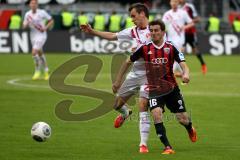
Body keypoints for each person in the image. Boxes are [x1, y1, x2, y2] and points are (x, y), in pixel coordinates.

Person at [113, 20, 197, 154]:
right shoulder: (144, 47)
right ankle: (167, 147)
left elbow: (184, 65)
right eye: (151, 30)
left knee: (182, 119)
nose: (153, 33)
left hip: (171, 88)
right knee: (156, 114)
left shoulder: (171, 47)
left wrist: (186, 74)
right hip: (154, 88)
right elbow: (127, 61)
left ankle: (190, 128)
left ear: (163, 32)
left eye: (156, 30)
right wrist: (118, 80)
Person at [81, 3, 151, 153]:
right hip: (135, 74)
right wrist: (92, 31)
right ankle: (126, 113)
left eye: (133, 16)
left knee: (143, 105)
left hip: (150, 76)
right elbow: (113, 36)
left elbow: (167, 48)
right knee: (116, 105)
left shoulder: (156, 29)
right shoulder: (133, 31)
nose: (131, 19)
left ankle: (143, 144)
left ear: (142, 14)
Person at [162, 0, 194, 76]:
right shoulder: (167, 14)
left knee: (176, 55)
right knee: (175, 56)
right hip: (170, 39)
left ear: (178, 3)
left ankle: (171, 73)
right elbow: (162, 25)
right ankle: (183, 72)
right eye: (172, 2)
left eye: (175, 2)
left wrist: (184, 27)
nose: (174, 3)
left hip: (180, 39)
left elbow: (191, 23)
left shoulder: (183, 13)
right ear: (170, 3)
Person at [23, 0, 53, 80]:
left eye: (35, 3)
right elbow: (24, 26)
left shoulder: (42, 12)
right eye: (32, 3)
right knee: (40, 53)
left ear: (37, 5)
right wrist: (25, 25)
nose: (33, 5)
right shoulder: (27, 14)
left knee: (34, 52)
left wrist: (45, 28)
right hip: (33, 35)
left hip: (41, 35)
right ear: (29, 5)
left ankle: (37, 70)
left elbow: (51, 20)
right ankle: (46, 70)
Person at [179, 0, 207, 74]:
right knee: (181, 51)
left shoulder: (189, 7)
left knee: (195, 51)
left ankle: (203, 64)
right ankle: (182, 69)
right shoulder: (177, 8)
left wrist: (189, 21)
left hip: (191, 32)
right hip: (182, 33)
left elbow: (198, 19)